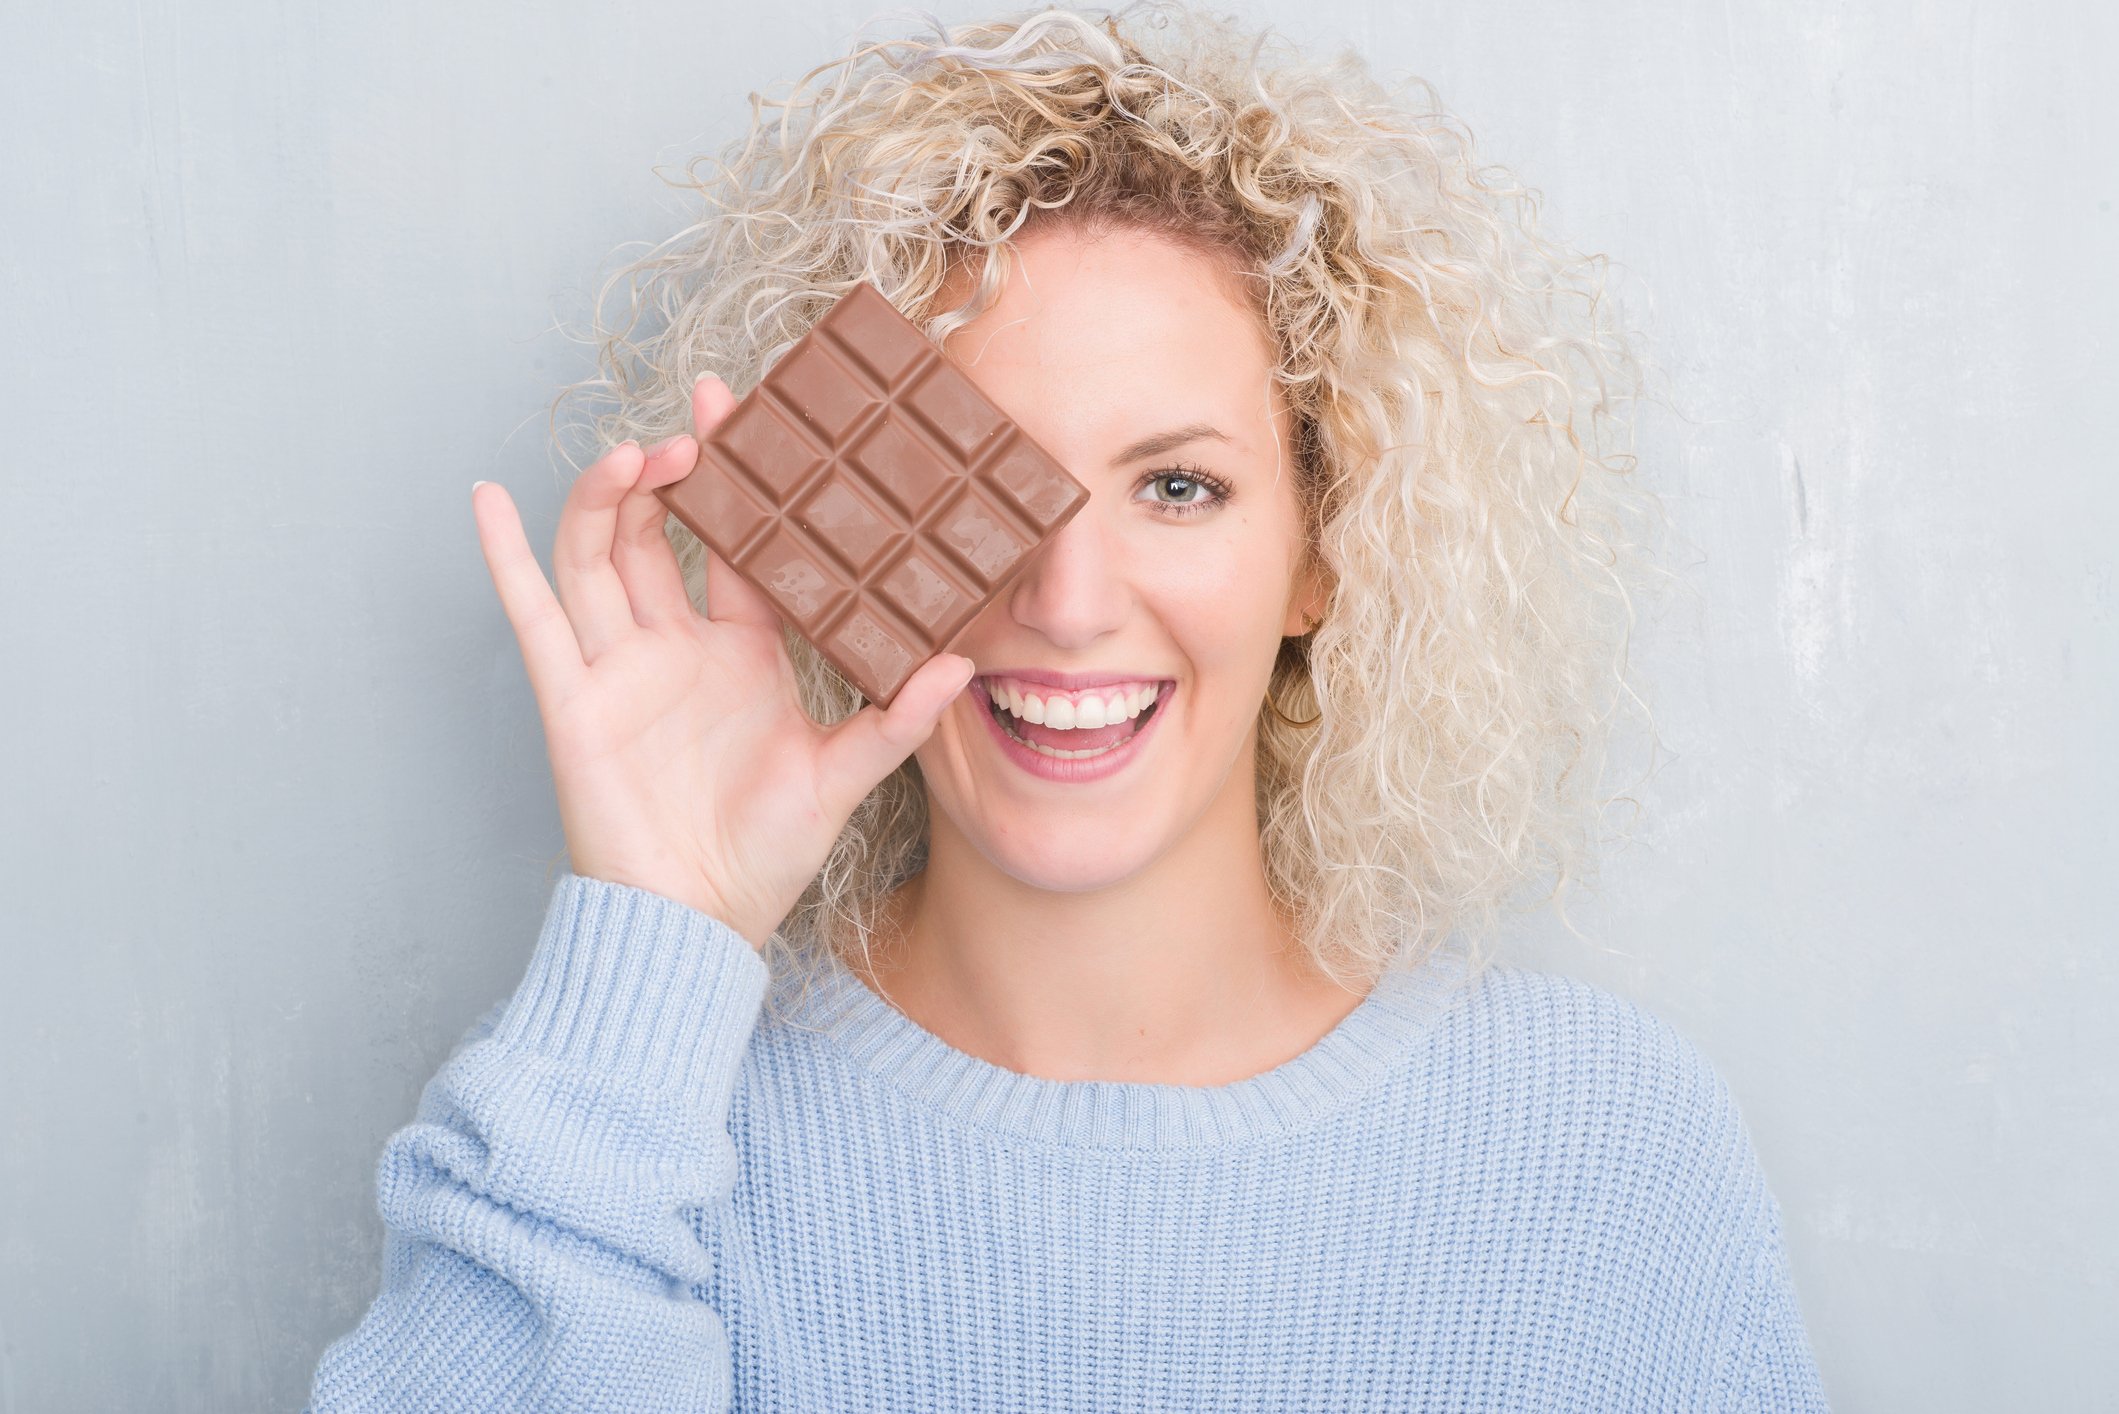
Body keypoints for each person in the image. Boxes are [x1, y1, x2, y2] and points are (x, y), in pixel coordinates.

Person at [307, 2, 1829, 1408]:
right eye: (985, 489)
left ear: (1322, 548)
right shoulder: (638, 1136)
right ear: (853, 542)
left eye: (1181, 486)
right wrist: (661, 932)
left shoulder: (1608, 1153)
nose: (1069, 597)